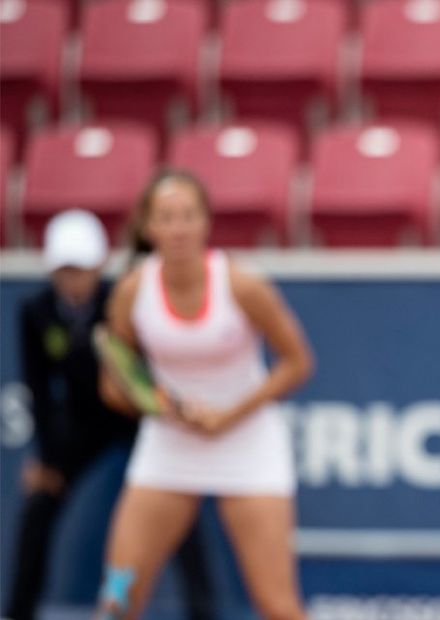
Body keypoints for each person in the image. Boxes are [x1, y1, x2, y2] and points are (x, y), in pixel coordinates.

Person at [96, 170, 314, 619]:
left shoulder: (243, 286)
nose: (178, 228)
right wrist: (164, 409)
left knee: (278, 607)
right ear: (147, 227)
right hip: (168, 447)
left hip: (249, 445)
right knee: (117, 599)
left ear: (206, 223)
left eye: (188, 216)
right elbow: (115, 386)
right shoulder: (131, 292)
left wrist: (229, 416)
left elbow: (298, 363)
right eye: (166, 217)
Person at [4, 210, 214, 620]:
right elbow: (40, 390)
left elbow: (144, 370)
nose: (73, 280)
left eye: (80, 270)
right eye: (64, 270)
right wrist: (48, 459)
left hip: (133, 416)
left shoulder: (120, 299)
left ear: (99, 266)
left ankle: (203, 611)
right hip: (79, 423)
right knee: (39, 503)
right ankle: (18, 611)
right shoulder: (36, 311)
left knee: (176, 504)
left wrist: (156, 411)